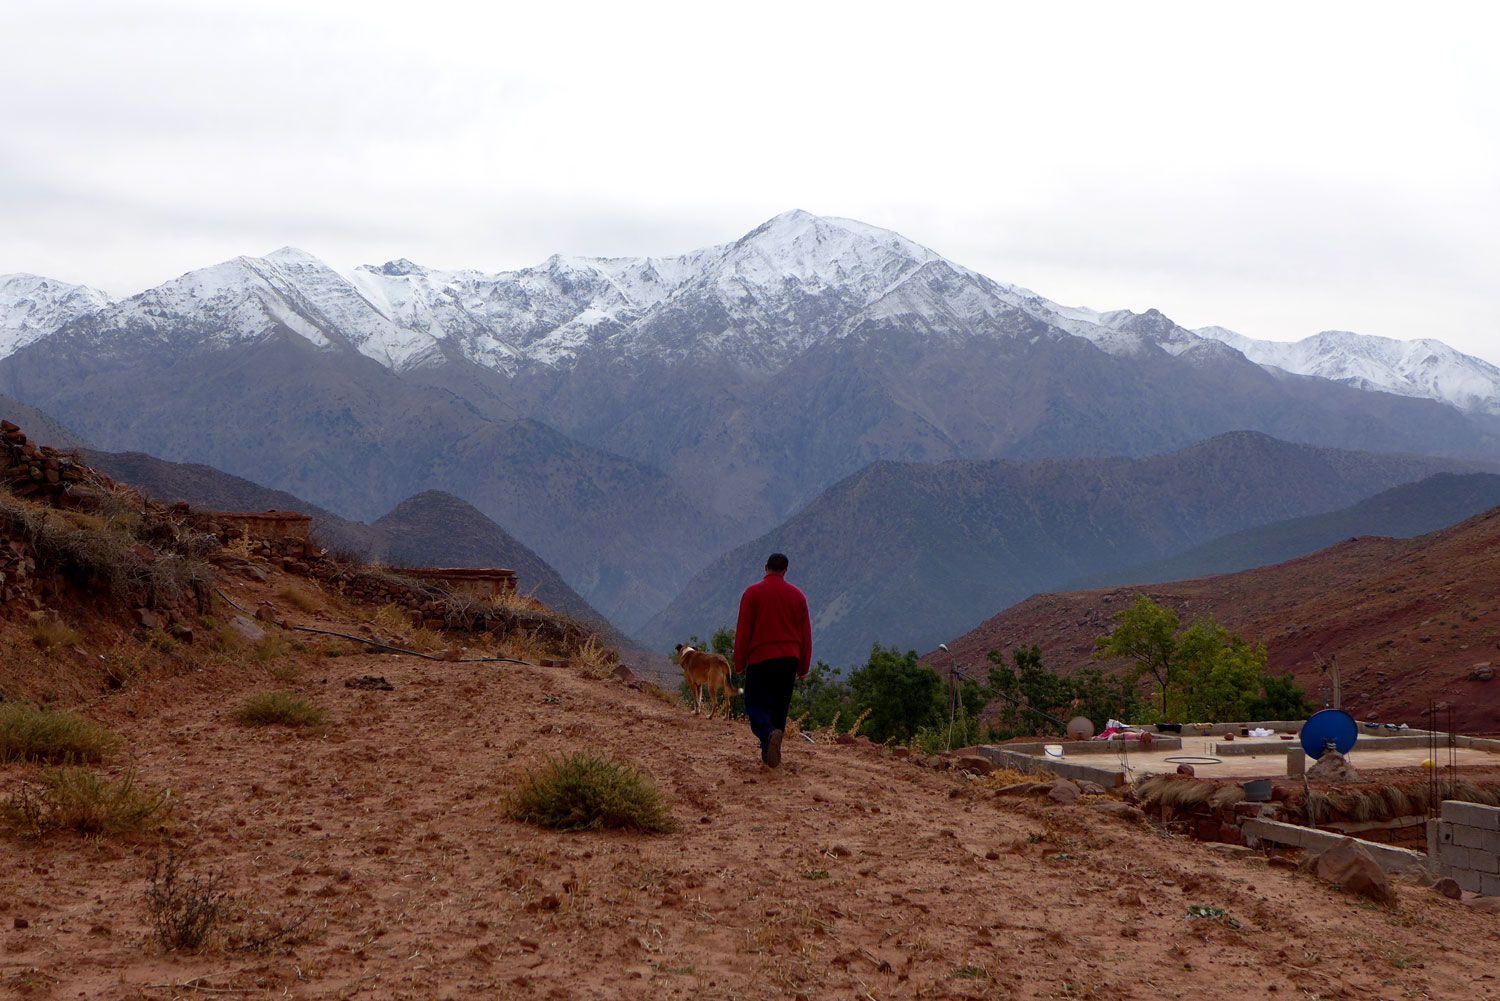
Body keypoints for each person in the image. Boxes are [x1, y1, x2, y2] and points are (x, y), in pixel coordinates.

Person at [733, 552, 812, 767]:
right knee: (779, 706)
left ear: (765, 567)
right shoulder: (798, 596)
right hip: (789, 659)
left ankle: (768, 735)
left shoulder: (752, 593)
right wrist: (803, 666)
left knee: (755, 703)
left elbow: (743, 631)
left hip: (761, 658)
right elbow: (805, 634)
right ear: (785, 570)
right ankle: (770, 751)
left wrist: (739, 663)